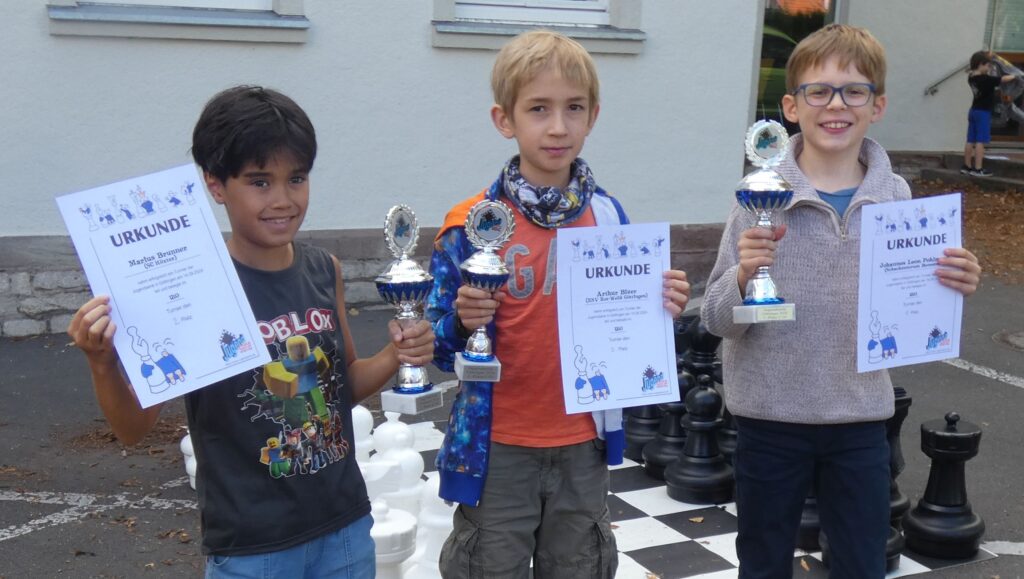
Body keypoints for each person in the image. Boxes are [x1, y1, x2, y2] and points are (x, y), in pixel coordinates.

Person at [67, 85, 435, 578]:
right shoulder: (190, 287)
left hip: (343, 528)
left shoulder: (323, 269)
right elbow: (133, 428)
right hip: (252, 548)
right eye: (259, 182)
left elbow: (342, 383)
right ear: (216, 185)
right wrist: (102, 362)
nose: (283, 200)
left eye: (297, 178)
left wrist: (396, 354)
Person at [700, 25, 982, 579]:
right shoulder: (757, 199)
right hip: (768, 417)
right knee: (762, 563)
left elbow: (915, 305)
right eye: (818, 90)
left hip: (859, 419)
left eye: (854, 91)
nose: (836, 104)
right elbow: (714, 318)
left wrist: (954, 281)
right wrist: (743, 274)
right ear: (791, 106)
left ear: (877, 105)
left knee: (860, 563)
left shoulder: (897, 198)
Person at [425, 30, 691, 579]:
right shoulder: (469, 225)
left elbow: (627, 319)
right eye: (538, 109)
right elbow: (435, 340)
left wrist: (662, 305)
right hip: (497, 446)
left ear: (593, 115)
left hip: (581, 443)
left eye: (573, 108)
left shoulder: (610, 218)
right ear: (506, 120)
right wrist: (460, 319)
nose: (557, 127)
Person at [963, 50, 1015, 176]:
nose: (989, 68)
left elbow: (976, 70)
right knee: (980, 141)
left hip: (973, 111)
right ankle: (978, 169)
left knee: (970, 140)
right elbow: (1004, 79)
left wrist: (987, 56)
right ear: (981, 64)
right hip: (983, 113)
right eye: (987, 65)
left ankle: (967, 166)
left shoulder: (971, 77)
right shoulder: (986, 79)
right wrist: (1016, 76)